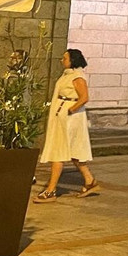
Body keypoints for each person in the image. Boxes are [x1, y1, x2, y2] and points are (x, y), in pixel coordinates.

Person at [34, 49, 99, 202]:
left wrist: (70, 110)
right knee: (73, 150)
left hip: (69, 118)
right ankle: (90, 182)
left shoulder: (77, 77)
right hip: (63, 114)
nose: (62, 60)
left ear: (72, 60)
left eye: (65, 58)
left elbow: (84, 97)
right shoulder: (68, 74)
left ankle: (51, 190)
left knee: (58, 150)